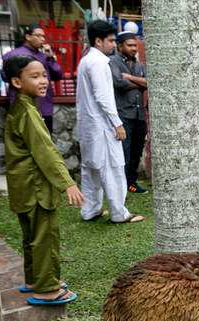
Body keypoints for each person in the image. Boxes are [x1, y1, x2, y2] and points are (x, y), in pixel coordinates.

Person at [3, 55, 85, 305]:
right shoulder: (27, 111)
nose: (44, 81)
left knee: (31, 237)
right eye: (35, 76)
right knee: (45, 236)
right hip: (36, 187)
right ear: (17, 82)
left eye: (44, 75)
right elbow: (45, 151)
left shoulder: (22, 106)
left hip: (22, 186)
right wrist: (67, 183)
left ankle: (34, 279)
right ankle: (47, 288)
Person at [76, 20, 144, 224]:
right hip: (102, 125)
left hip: (89, 126)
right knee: (113, 168)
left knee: (91, 169)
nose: (114, 45)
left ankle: (90, 210)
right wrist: (118, 124)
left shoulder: (86, 61)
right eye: (111, 41)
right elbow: (103, 96)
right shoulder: (98, 62)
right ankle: (119, 213)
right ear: (98, 41)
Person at [2, 22, 63, 133]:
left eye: (43, 36)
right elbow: (5, 77)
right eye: (38, 36)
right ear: (28, 37)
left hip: (44, 107)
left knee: (46, 141)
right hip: (24, 108)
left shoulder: (45, 56)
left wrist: (51, 58)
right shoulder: (14, 55)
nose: (42, 39)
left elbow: (58, 76)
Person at [109, 31, 148, 194]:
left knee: (136, 152)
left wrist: (130, 78)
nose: (133, 49)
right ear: (120, 46)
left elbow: (148, 83)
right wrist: (140, 83)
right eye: (129, 45)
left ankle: (131, 183)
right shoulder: (113, 62)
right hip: (124, 115)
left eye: (135, 46)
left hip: (139, 116)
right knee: (123, 153)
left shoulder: (139, 65)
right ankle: (120, 186)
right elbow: (119, 83)